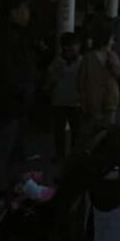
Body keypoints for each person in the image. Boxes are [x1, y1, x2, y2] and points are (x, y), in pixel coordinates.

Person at [0, 0, 38, 204]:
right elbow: (5, 73)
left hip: (13, 103)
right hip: (6, 102)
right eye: (24, 9)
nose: (27, 14)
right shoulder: (4, 38)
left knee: (9, 146)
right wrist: (21, 90)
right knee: (0, 148)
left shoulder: (12, 35)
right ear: (13, 12)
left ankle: (10, 184)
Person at [46, 32, 83, 161]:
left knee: (76, 131)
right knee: (59, 131)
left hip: (76, 101)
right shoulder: (57, 62)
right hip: (59, 100)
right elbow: (50, 79)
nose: (74, 49)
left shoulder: (82, 61)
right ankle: (60, 154)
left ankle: (75, 155)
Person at [78, 23, 120, 126]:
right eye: (111, 39)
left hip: (109, 97)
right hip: (93, 98)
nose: (113, 42)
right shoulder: (88, 57)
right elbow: (82, 79)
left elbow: (118, 72)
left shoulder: (111, 55)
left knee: (108, 126)